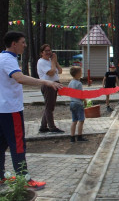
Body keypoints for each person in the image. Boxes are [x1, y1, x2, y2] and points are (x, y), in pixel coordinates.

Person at [0, 31, 63, 189]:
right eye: (22, 42)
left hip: (3, 108)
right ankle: (24, 178)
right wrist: (46, 83)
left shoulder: (2, 58)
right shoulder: (8, 59)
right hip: (10, 109)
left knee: (2, 143)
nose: (25, 45)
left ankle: (1, 175)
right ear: (14, 44)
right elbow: (20, 78)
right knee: (18, 143)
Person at [37, 44, 65, 133]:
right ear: (42, 53)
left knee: (49, 106)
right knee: (49, 107)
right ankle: (52, 127)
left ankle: (43, 126)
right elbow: (51, 73)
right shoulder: (41, 62)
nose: (48, 52)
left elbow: (60, 71)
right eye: (46, 51)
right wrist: (53, 62)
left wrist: (55, 61)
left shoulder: (50, 61)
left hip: (55, 84)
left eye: (50, 50)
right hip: (48, 85)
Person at [68, 66, 88, 143]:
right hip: (78, 103)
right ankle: (79, 136)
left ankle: (72, 137)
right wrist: (85, 101)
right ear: (77, 74)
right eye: (80, 72)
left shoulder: (70, 83)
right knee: (81, 120)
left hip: (72, 103)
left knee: (74, 120)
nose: (81, 73)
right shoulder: (78, 83)